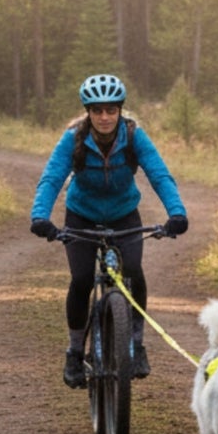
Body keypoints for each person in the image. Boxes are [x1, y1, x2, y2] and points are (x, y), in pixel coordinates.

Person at [30, 73, 189, 387]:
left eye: (111, 110)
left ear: (120, 110)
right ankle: (75, 352)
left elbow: (159, 175)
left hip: (123, 214)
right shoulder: (73, 138)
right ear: (88, 112)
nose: (104, 117)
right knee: (81, 280)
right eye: (97, 110)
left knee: (134, 272)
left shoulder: (134, 136)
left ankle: (137, 346)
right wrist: (40, 217)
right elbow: (52, 178)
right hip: (82, 216)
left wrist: (177, 213)